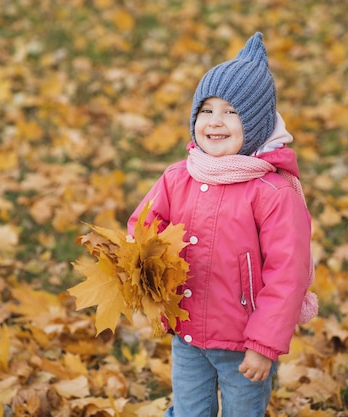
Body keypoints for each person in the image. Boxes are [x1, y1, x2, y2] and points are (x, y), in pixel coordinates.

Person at [127, 32, 317, 417]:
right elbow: (143, 230)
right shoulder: (177, 177)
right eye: (206, 110)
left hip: (244, 343)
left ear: (258, 124)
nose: (215, 121)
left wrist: (264, 343)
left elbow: (288, 274)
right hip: (187, 333)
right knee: (188, 411)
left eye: (231, 112)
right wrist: (142, 264)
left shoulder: (272, 191)